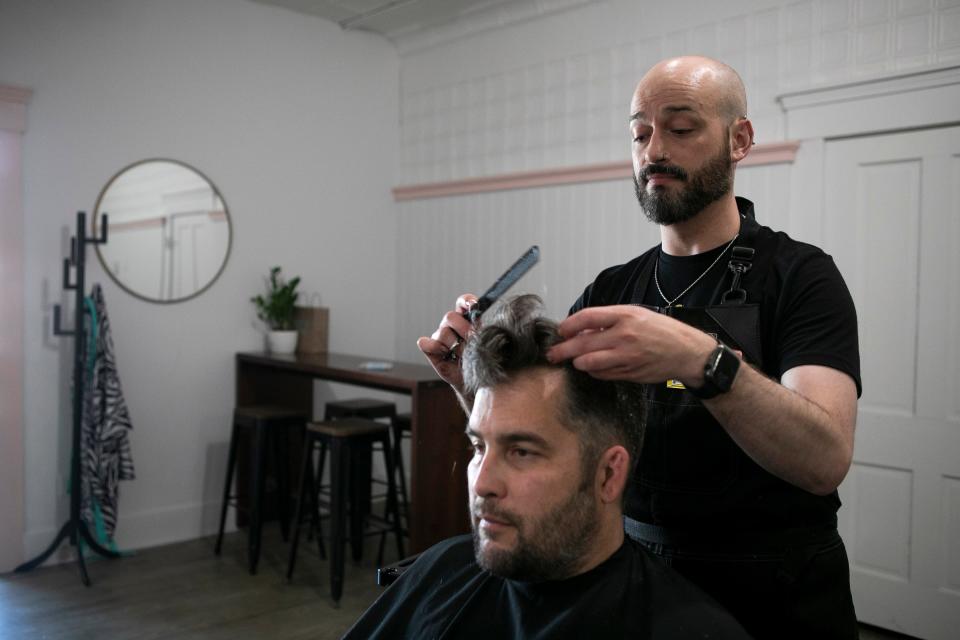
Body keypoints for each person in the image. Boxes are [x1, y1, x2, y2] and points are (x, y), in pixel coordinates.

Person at [418, 56, 861, 639]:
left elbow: (824, 459)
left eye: (679, 129)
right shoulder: (611, 290)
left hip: (779, 594)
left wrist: (701, 361)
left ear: (740, 140)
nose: (654, 151)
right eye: (640, 133)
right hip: (635, 589)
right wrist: (466, 386)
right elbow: (558, 442)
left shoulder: (801, 277)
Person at [348, 295, 751, 639]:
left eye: (521, 452)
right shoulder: (442, 572)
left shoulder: (689, 627)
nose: (482, 483)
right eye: (477, 446)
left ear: (608, 474)